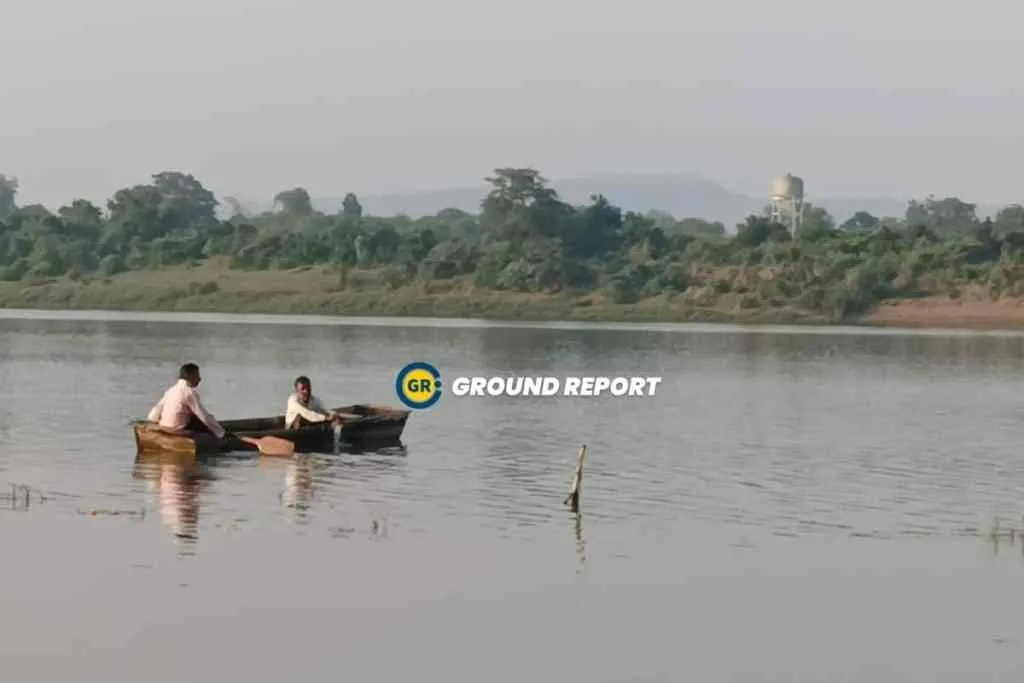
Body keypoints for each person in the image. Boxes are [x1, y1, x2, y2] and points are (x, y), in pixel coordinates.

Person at [147, 362, 227, 439]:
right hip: (178, 430)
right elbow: (204, 417)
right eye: (197, 375)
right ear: (190, 376)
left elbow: (152, 416)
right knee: (202, 420)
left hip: (165, 428)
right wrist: (221, 433)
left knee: (195, 417)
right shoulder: (189, 392)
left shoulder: (171, 391)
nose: (200, 379)